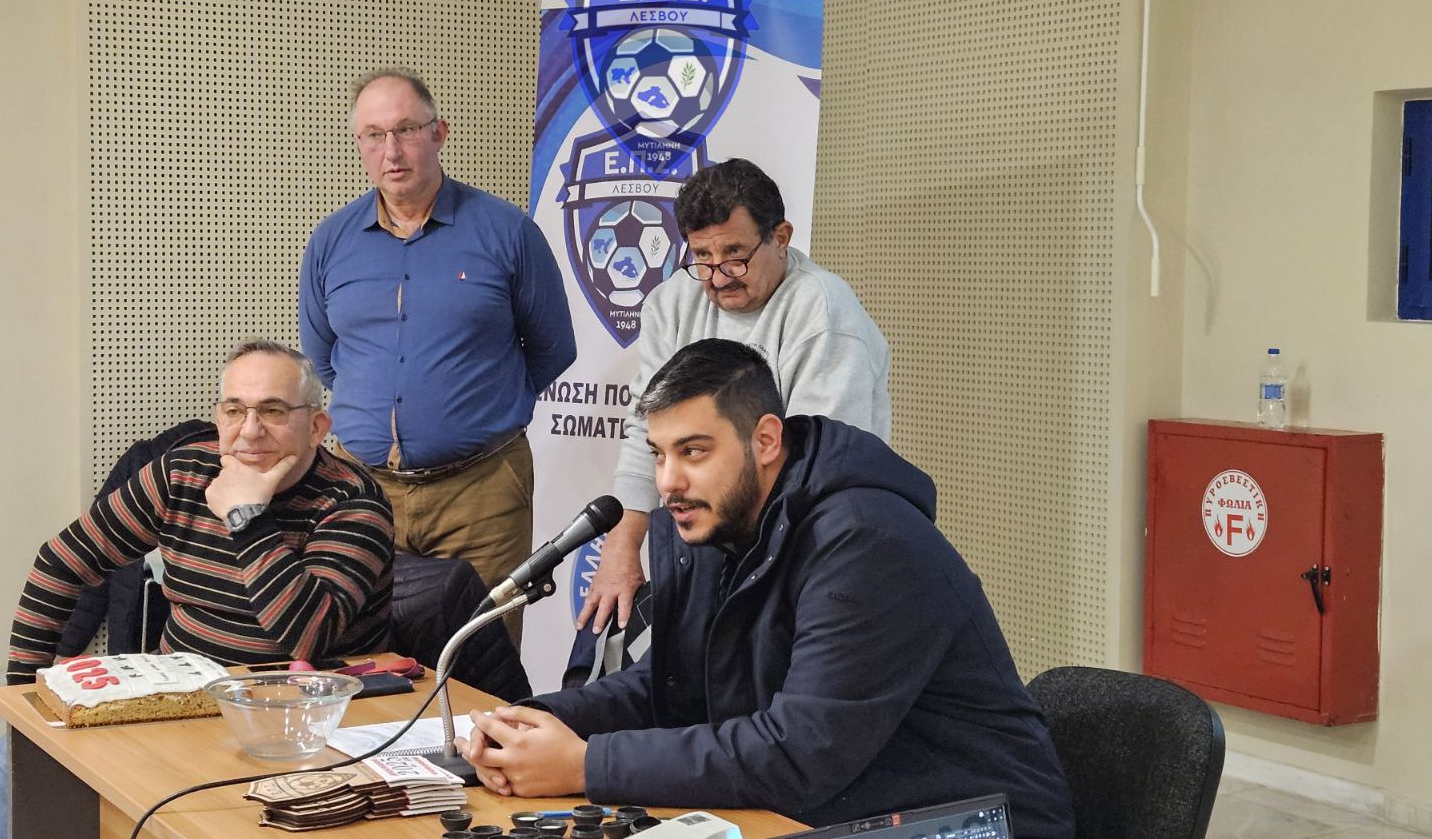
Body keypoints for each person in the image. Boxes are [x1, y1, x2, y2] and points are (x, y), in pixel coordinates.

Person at [458, 339, 1073, 836]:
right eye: (659, 455)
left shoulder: (866, 540)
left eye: (693, 452)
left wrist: (585, 765)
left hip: (962, 822)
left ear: (767, 440)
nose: (668, 482)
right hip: (832, 809)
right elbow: (671, 684)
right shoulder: (714, 520)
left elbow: (800, 753)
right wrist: (530, 724)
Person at [0, 339, 398, 837]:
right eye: (235, 410)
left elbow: (305, 637)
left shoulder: (353, 502)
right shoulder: (183, 471)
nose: (250, 430)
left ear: (317, 427)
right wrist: (23, 700)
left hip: (303, 719)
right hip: (182, 697)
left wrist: (246, 516)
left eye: (273, 411)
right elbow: (60, 562)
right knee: (17, 759)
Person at [300, 67, 575, 645]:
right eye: (373, 135)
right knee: (363, 658)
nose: (391, 150)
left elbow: (553, 348)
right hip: (361, 492)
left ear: (438, 132)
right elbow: (325, 358)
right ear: (359, 144)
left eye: (406, 129)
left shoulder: (508, 232)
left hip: (481, 491)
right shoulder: (330, 242)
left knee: (482, 661)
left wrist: (474, 412)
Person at [580, 158, 891, 634]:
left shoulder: (823, 313)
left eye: (735, 254)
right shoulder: (672, 302)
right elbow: (648, 429)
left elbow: (817, 470)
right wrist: (620, 550)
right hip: (706, 540)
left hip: (809, 545)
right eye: (702, 256)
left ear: (780, 237)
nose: (719, 275)